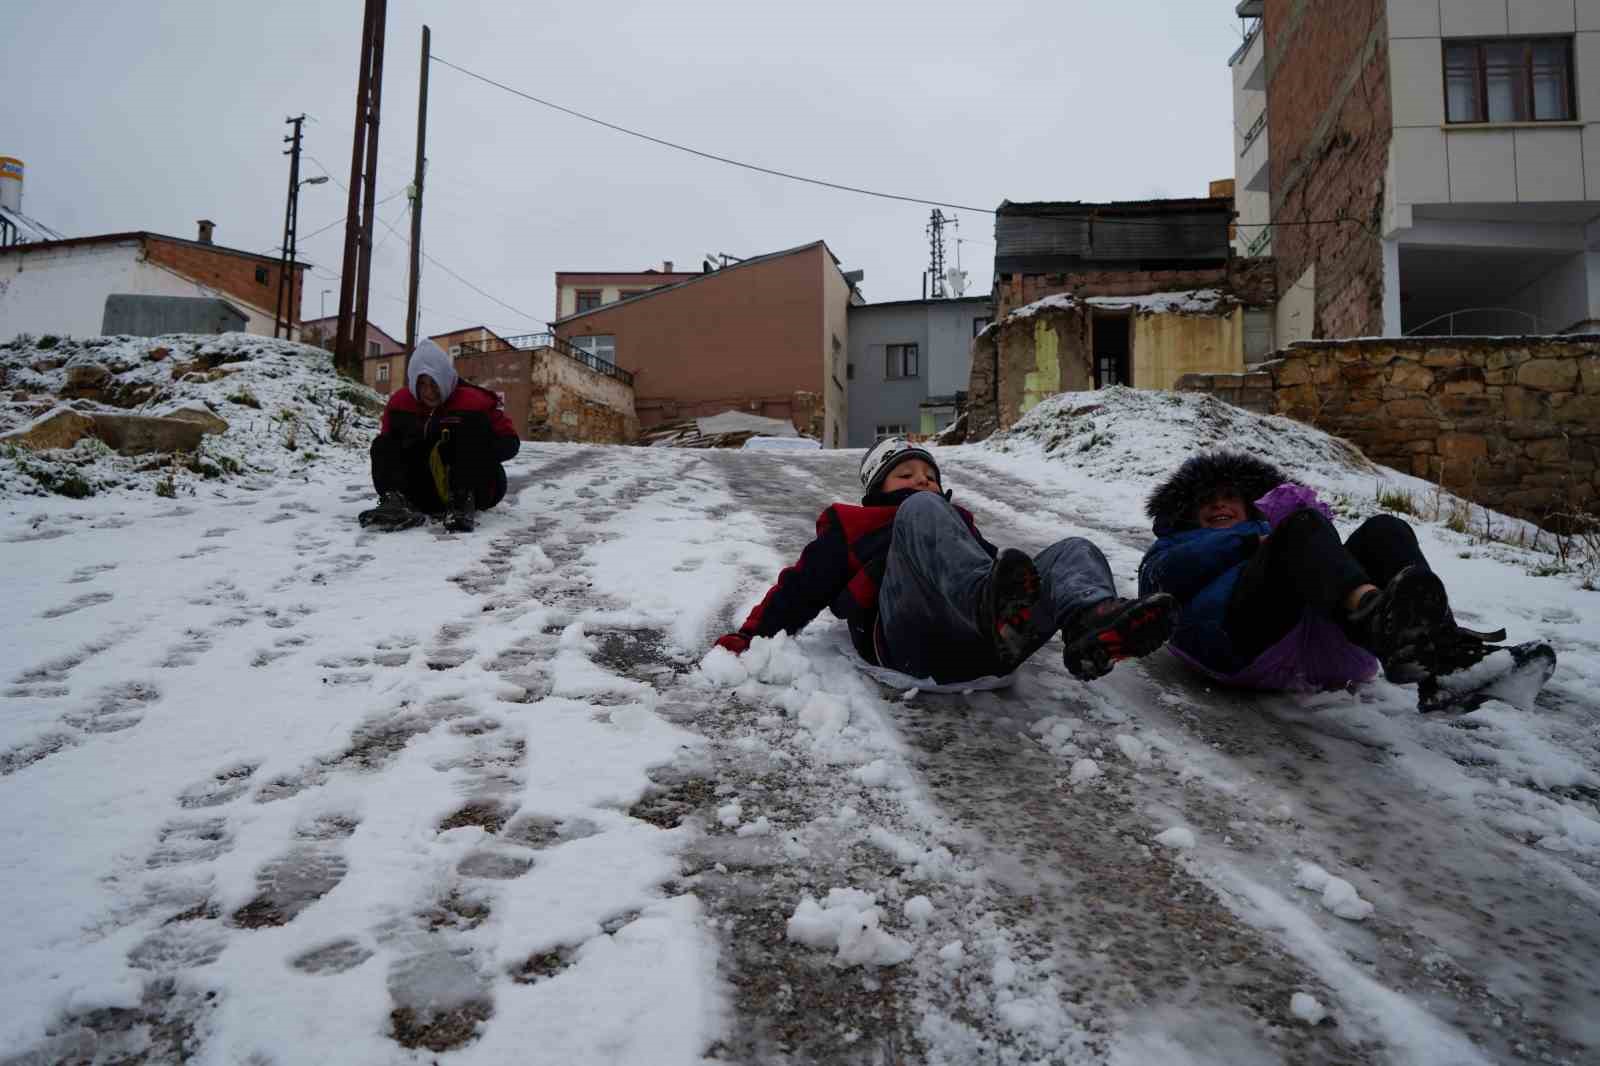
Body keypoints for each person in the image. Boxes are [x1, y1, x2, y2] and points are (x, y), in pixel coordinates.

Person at [711, 437, 1178, 685]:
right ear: (877, 487)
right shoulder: (855, 525)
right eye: (906, 474)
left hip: (989, 652)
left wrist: (1038, 595)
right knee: (924, 514)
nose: (922, 481)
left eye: (930, 476)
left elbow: (1009, 577)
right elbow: (801, 587)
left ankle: (1090, 626)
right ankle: (987, 610)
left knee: (1075, 549)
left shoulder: (953, 519)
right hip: (910, 641)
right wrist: (751, 635)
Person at [1137, 450, 1505, 701]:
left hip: (1326, 643)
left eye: (1229, 496)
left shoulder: (1278, 534)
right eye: (1207, 500)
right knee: (1301, 526)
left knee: (1385, 529)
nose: (1219, 504)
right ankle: (1377, 617)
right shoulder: (1176, 544)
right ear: (1188, 514)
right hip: (1241, 643)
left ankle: (1443, 658)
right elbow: (1161, 579)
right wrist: (1250, 539)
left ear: (1248, 505)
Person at [358, 340, 520, 533]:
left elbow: (510, 443)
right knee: (382, 444)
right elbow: (387, 450)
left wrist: (469, 452)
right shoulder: (400, 403)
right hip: (422, 491)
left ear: (444, 377)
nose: (429, 392)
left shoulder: (473, 401)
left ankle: (461, 503)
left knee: (466, 431)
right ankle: (397, 503)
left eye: (434, 383)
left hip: (477, 488)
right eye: (422, 384)